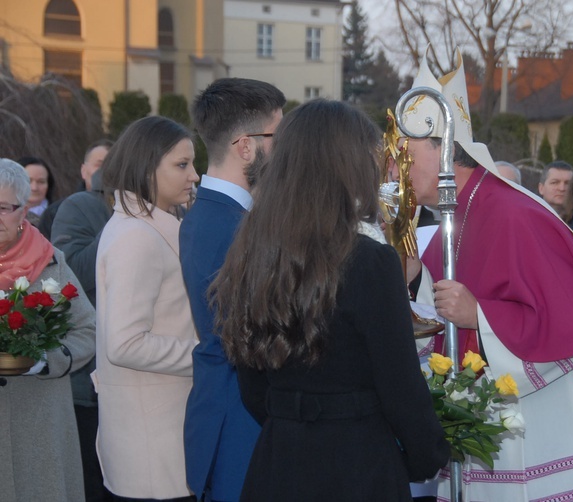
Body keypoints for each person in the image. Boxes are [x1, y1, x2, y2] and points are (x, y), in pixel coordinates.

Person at [399, 50, 573, 501]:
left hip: (546, 421)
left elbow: (568, 323)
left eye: (406, 155)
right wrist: (412, 278)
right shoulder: (456, 212)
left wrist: (480, 316)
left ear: (443, 148)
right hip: (490, 416)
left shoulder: (515, 215)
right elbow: (438, 312)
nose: (398, 170)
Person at [211, 99, 450, 501]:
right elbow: (401, 387)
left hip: (279, 460)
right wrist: (426, 457)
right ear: (349, 166)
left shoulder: (251, 251)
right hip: (358, 464)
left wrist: (292, 420)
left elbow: (252, 385)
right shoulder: (370, 261)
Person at [180, 77, 285, 502]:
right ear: (246, 146)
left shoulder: (213, 213)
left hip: (231, 410)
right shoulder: (231, 225)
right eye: (278, 136)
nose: (285, 149)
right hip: (240, 419)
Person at [94, 116, 199, 501]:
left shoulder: (143, 226)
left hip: (158, 437)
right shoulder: (137, 235)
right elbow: (125, 343)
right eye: (182, 164)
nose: (195, 176)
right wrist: (205, 354)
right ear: (146, 165)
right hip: (152, 449)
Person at [0, 158, 96, 501]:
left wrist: (44, 360)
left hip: (39, 423)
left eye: (4, 208)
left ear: (24, 209)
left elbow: (88, 330)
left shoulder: (50, 262)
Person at [52, 145, 114, 502]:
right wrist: (123, 223)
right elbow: (72, 272)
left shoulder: (171, 208)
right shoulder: (81, 206)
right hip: (86, 383)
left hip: (139, 384)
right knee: (91, 484)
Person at [39, 140, 113, 241]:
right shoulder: (55, 212)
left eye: (113, 165)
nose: (105, 171)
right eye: (99, 165)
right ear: (83, 170)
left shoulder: (127, 210)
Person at [16, 155, 56, 227]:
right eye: (28, 181)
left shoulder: (59, 216)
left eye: (41, 182)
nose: (34, 188)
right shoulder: (4, 216)